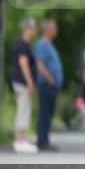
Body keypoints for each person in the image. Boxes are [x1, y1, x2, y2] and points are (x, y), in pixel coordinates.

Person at [33, 19, 62, 151]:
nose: (56, 31)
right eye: (55, 28)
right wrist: (50, 78)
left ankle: (45, 140)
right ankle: (42, 141)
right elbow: (39, 63)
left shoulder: (50, 45)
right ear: (48, 30)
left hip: (52, 85)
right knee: (44, 113)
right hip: (46, 84)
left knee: (48, 113)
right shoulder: (42, 45)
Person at [10, 17, 38, 153]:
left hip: (20, 81)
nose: (35, 30)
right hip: (22, 82)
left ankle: (20, 139)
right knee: (23, 109)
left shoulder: (24, 44)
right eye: (33, 28)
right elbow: (23, 64)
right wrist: (30, 82)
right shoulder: (23, 45)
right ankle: (19, 140)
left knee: (23, 109)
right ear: (27, 29)